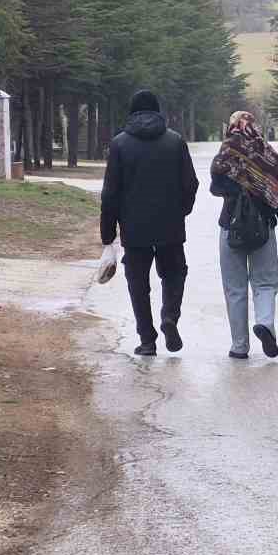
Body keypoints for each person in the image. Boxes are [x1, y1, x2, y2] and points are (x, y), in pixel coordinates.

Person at [101, 90, 199, 357]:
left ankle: (147, 339)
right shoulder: (175, 141)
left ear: (131, 112)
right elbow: (191, 183)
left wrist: (108, 234)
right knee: (174, 273)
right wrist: (181, 211)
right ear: (158, 111)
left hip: (134, 229)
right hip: (170, 225)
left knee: (138, 283)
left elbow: (110, 192)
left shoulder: (119, 144)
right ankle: (169, 317)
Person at [209, 111, 278, 360]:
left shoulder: (226, 154)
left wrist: (237, 185)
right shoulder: (270, 158)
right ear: (255, 128)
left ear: (233, 127)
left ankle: (239, 346)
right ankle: (265, 324)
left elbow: (214, 186)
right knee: (264, 283)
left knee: (235, 288)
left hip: (231, 228)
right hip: (263, 229)